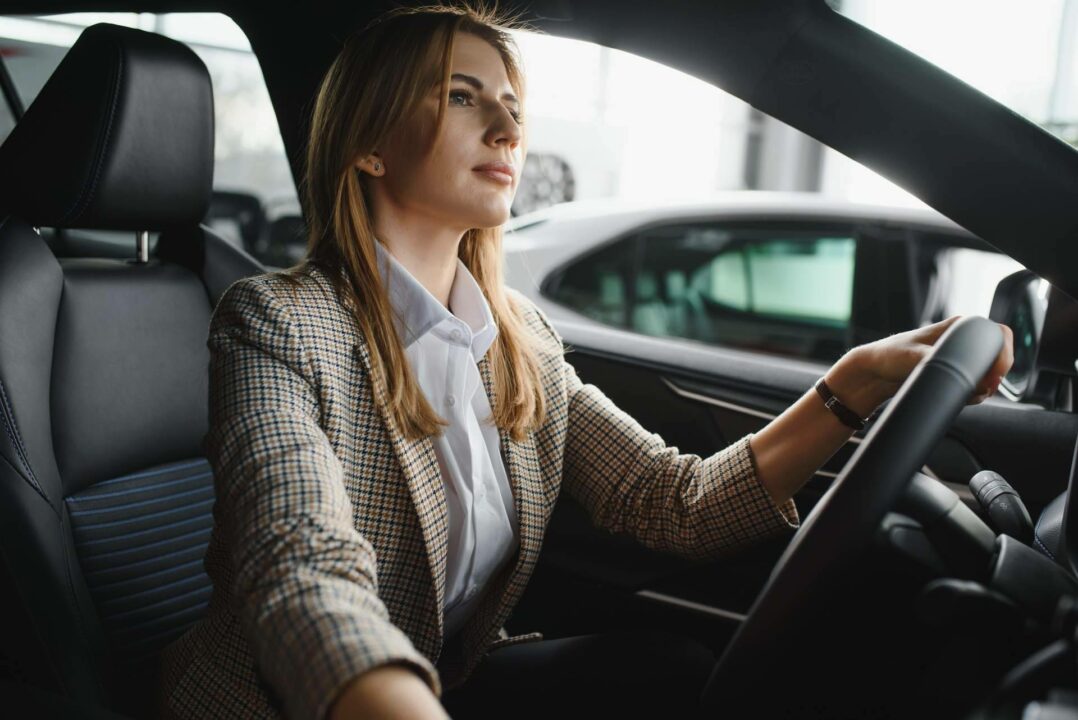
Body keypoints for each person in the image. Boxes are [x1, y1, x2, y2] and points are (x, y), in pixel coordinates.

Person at [159, 2, 1014, 718]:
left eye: (512, 106)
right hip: (294, 702)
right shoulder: (277, 321)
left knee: (671, 671)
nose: (505, 127)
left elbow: (673, 503)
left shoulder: (516, 334)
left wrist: (854, 381)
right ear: (369, 144)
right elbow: (299, 560)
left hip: (448, 679)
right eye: (464, 98)